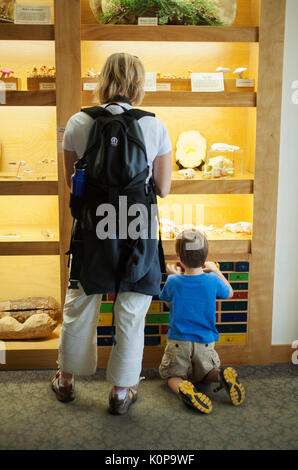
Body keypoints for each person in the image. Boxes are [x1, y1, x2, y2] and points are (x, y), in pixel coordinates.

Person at [51, 52, 172, 415]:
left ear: (103, 79)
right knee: (132, 308)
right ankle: (121, 392)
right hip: (137, 224)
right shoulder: (155, 126)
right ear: (139, 83)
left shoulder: (77, 122)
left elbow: (76, 186)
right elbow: (163, 188)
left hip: (94, 224)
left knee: (81, 301)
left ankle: (67, 379)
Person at [159, 229, 245, 414]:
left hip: (178, 342)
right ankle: (221, 375)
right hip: (205, 342)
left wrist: (170, 274)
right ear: (205, 255)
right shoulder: (212, 280)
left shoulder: (173, 280)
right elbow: (229, 293)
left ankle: (183, 389)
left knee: (173, 376)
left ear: (179, 257)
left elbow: (167, 303)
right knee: (206, 374)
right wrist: (215, 269)